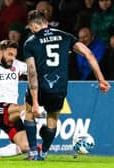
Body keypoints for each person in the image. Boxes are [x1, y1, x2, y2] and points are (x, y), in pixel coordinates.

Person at [23, 10, 111, 161]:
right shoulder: (65, 36)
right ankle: (43, 153)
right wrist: (101, 79)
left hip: (41, 86)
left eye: (31, 28)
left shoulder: (30, 42)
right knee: (52, 118)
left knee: (30, 113)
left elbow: (32, 72)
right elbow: (89, 54)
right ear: (46, 22)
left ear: (34, 25)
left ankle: (32, 152)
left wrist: (36, 102)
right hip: (59, 88)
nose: (31, 30)